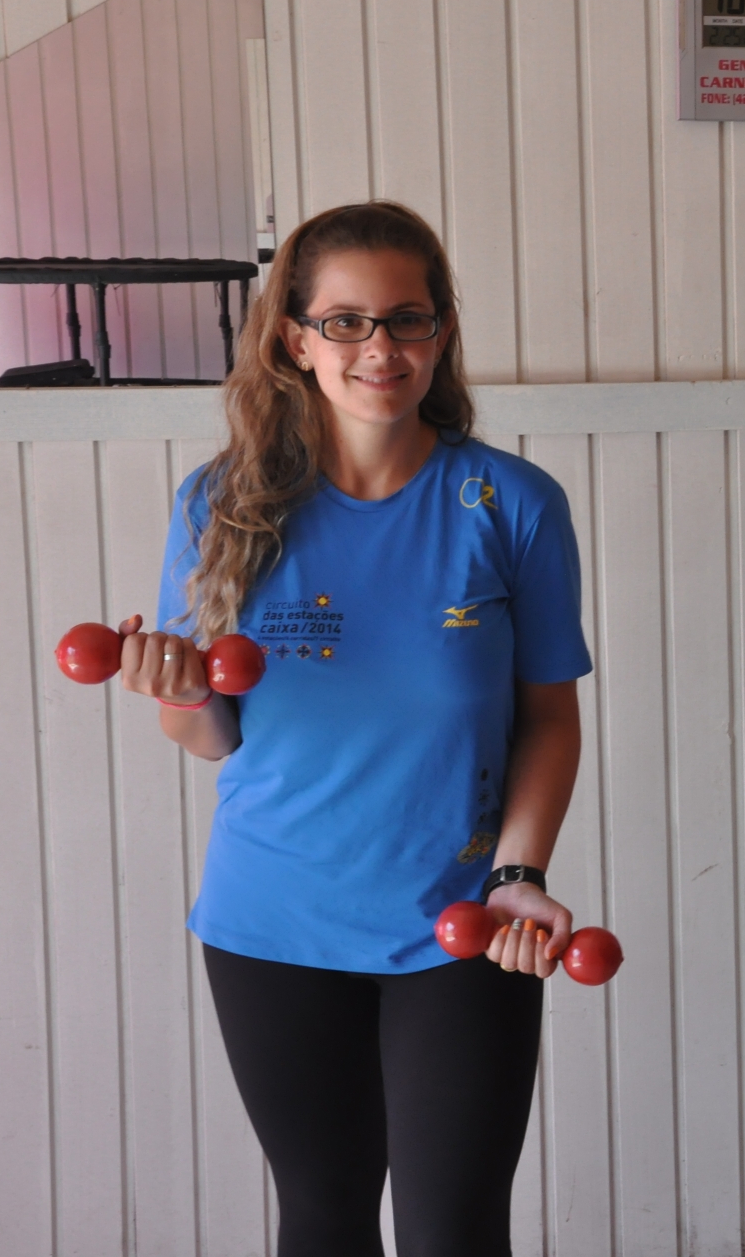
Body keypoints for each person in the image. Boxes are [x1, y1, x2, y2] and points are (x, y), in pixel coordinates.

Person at [113, 201, 593, 1256]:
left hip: (460, 921)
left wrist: (519, 872)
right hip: (272, 921)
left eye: (407, 319)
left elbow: (549, 718)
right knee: (324, 1220)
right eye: (346, 322)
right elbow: (211, 736)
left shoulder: (511, 502)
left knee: (452, 1233)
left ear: (441, 331)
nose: (381, 348)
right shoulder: (220, 504)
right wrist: (175, 688)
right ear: (295, 339)